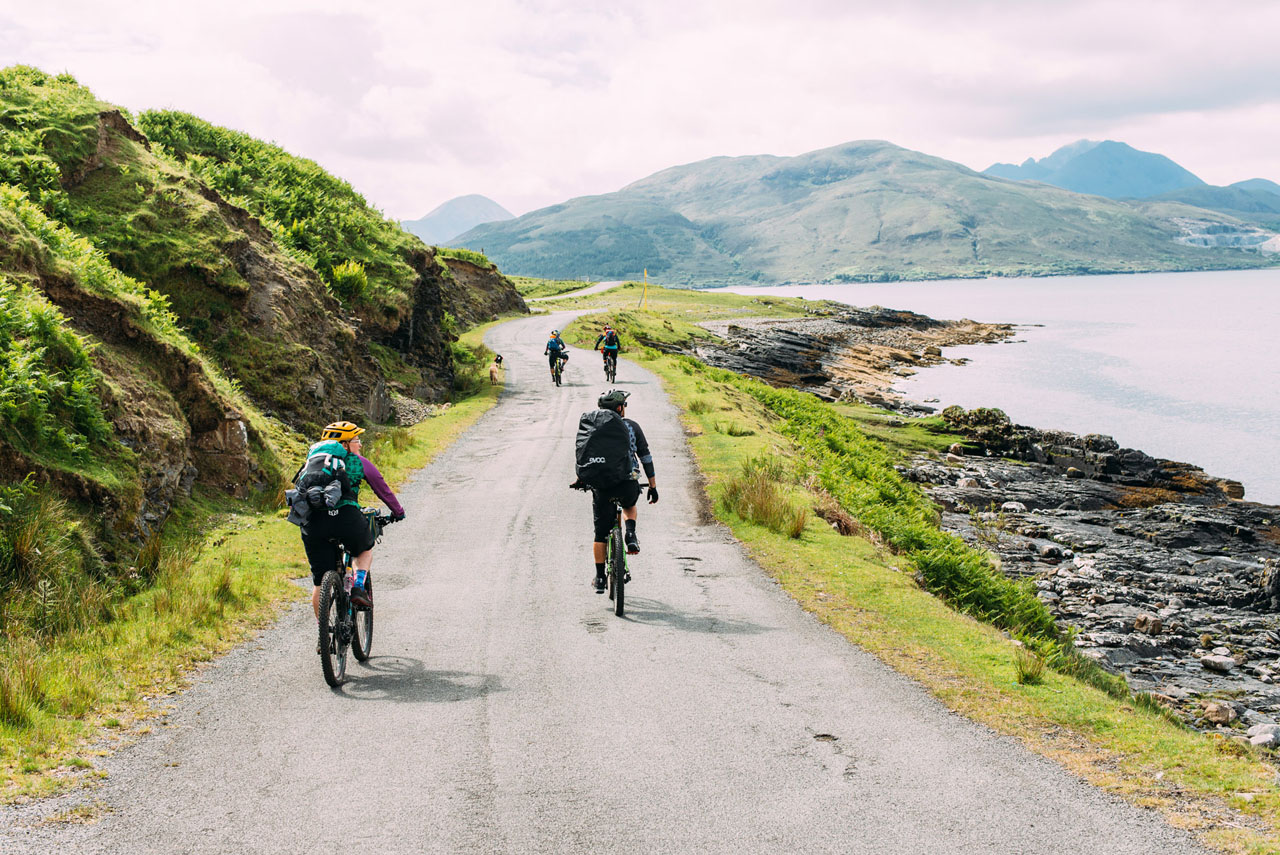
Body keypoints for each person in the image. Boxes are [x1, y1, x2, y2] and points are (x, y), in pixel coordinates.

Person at [299, 421, 405, 633]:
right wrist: (398, 512)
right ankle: (357, 587)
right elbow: (381, 488)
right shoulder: (358, 462)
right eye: (356, 441)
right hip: (347, 516)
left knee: (320, 582)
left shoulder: (312, 463)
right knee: (364, 550)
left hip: (314, 523)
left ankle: (324, 632)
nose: (360, 445)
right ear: (345, 444)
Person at [573, 390, 658, 592]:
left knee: (600, 533)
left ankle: (600, 577)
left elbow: (583, 454)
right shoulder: (631, 427)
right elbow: (645, 457)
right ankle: (630, 534)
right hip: (627, 482)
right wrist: (653, 486)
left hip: (602, 486)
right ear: (620, 408)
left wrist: (581, 479)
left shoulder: (593, 428)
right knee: (629, 504)